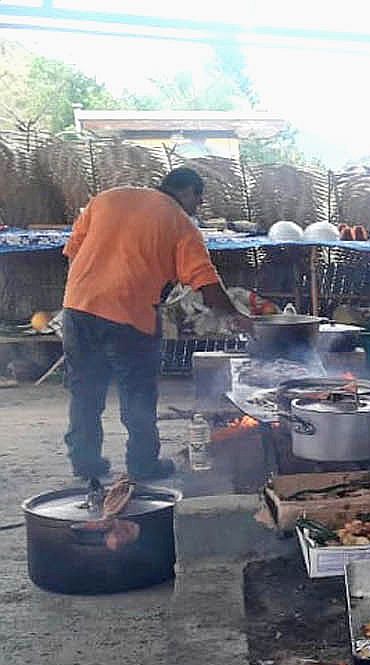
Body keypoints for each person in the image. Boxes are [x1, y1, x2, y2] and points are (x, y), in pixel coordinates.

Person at [61, 167, 249, 481]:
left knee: (85, 391)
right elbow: (206, 282)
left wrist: (89, 288)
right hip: (129, 315)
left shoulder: (106, 199)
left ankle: (85, 462)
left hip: (77, 309)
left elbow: (73, 251)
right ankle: (143, 465)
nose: (197, 207)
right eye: (198, 199)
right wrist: (238, 317)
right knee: (137, 395)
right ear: (187, 191)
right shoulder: (179, 223)